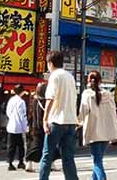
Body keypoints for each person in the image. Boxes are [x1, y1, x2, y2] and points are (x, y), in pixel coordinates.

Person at [39, 50, 79, 180]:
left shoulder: (55, 76)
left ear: (50, 63)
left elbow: (50, 98)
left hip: (56, 121)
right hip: (71, 121)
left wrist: (45, 120)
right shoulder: (70, 77)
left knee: (47, 156)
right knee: (68, 158)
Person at [79, 71, 117, 180]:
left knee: (97, 161)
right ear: (100, 81)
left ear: (89, 81)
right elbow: (113, 114)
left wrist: (77, 123)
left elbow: (83, 112)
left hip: (94, 133)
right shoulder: (108, 94)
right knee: (98, 159)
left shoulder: (87, 94)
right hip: (106, 133)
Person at [25, 83, 47, 174]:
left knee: (33, 146)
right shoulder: (46, 101)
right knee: (48, 147)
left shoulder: (33, 101)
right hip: (44, 127)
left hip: (34, 127)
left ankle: (29, 164)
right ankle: (49, 165)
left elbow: (30, 114)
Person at [6, 85, 28, 171]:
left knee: (11, 146)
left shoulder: (11, 100)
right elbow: (22, 115)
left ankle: (10, 163)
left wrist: (12, 118)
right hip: (19, 127)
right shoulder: (21, 102)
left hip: (11, 126)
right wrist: (25, 127)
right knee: (21, 146)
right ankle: (21, 162)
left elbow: (8, 112)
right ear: (22, 92)